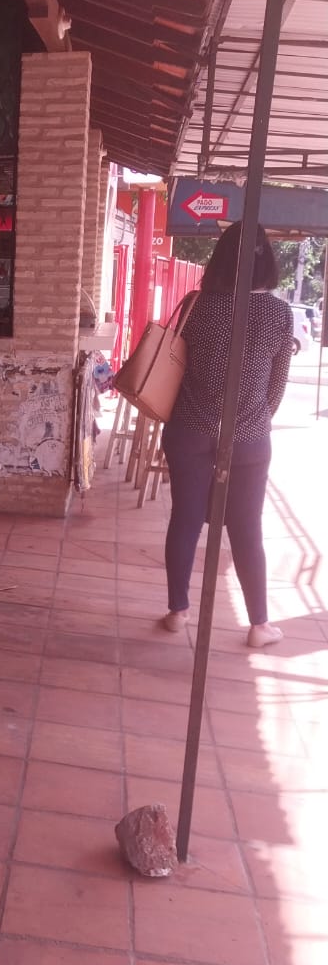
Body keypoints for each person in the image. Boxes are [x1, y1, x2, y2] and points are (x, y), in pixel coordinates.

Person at [160, 222, 293, 649]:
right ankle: (259, 625)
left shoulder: (197, 306)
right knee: (247, 528)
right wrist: (249, 421)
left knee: (185, 519)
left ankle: (178, 611)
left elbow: (174, 368)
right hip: (248, 438)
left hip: (189, 429)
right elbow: (276, 389)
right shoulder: (279, 314)